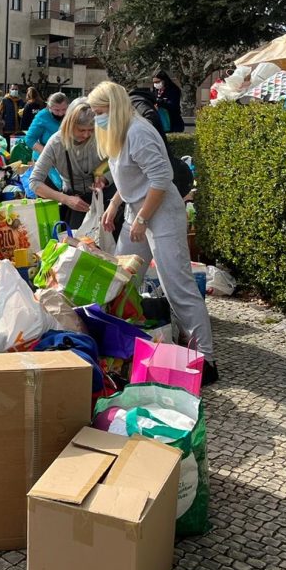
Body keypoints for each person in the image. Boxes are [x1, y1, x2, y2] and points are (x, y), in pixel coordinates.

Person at [88, 80, 218, 385]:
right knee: (121, 279)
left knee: (178, 288)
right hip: (141, 212)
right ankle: (122, 349)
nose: (97, 119)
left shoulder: (138, 132)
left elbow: (161, 179)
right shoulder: (121, 131)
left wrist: (143, 218)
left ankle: (207, 361)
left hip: (160, 214)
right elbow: (131, 178)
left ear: (115, 108)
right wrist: (114, 205)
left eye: (100, 112)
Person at [27, 99, 120, 231]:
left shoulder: (101, 136)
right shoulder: (56, 143)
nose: (86, 135)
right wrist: (65, 199)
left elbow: (119, 163)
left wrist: (104, 177)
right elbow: (34, 182)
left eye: (90, 130)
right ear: (69, 125)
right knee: (78, 243)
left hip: (106, 198)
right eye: (81, 130)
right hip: (75, 200)